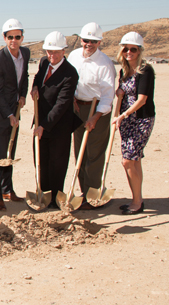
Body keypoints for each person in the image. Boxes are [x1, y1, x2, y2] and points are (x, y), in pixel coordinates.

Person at [68, 22, 116, 210]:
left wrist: (95, 117)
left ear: (99, 42)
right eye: (86, 40)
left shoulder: (104, 63)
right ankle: (83, 191)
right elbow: (70, 79)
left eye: (93, 41)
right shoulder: (73, 56)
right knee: (80, 151)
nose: (89, 44)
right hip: (77, 108)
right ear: (81, 40)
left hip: (97, 111)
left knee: (94, 154)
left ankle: (93, 194)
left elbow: (107, 96)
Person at [31, 31, 81, 209]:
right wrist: (35, 86)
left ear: (63, 51)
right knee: (42, 159)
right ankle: (44, 193)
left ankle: (55, 198)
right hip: (41, 120)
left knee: (57, 162)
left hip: (59, 125)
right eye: (49, 52)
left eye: (56, 52)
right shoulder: (45, 63)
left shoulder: (70, 74)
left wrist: (45, 125)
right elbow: (37, 77)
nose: (52, 56)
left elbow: (62, 104)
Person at [0, 19, 29, 211]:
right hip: (0, 113)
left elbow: (25, 76)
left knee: (10, 151)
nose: (14, 40)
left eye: (17, 36)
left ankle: (7, 189)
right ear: (4, 38)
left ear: (22, 37)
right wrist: (9, 114)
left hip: (15, 110)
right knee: (0, 155)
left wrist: (22, 95)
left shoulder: (25, 53)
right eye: (10, 37)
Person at [111, 32, 155, 215]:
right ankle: (137, 199)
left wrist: (123, 115)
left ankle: (137, 202)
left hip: (141, 120)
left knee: (128, 160)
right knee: (133, 161)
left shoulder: (145, 70)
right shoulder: (124, 70)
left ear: (140, 51)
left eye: (133, 49)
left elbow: (142, 99)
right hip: (127, 121)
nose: (129, 52)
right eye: (126, 49)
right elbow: (124, 92)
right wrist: (119, 92)